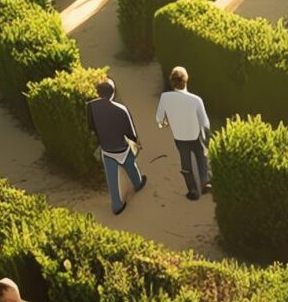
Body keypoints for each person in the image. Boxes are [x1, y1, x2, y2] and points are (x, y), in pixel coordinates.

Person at [88, 78, 146, 214]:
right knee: (131, 166)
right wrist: (136, 143)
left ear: (97, 92)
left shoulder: (90, 106)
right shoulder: (121, 109)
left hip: (106, 149)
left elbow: (91, 126)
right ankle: (138, 185)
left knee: (111, 180)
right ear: (113, 93)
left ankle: (117, 206)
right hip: (122, 147)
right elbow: (130, 133)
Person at [155, 65, 212, 200]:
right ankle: (205, 182)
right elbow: (205, 122)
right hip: (195, 134)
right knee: (202, 158)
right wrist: (207, 136)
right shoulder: (196, 99)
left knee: (185, 162)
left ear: (171, 81)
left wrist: (165, 123)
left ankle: (192, 189)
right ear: (186, 80)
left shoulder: (165, 97)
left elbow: (159, 118)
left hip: (179, 136)